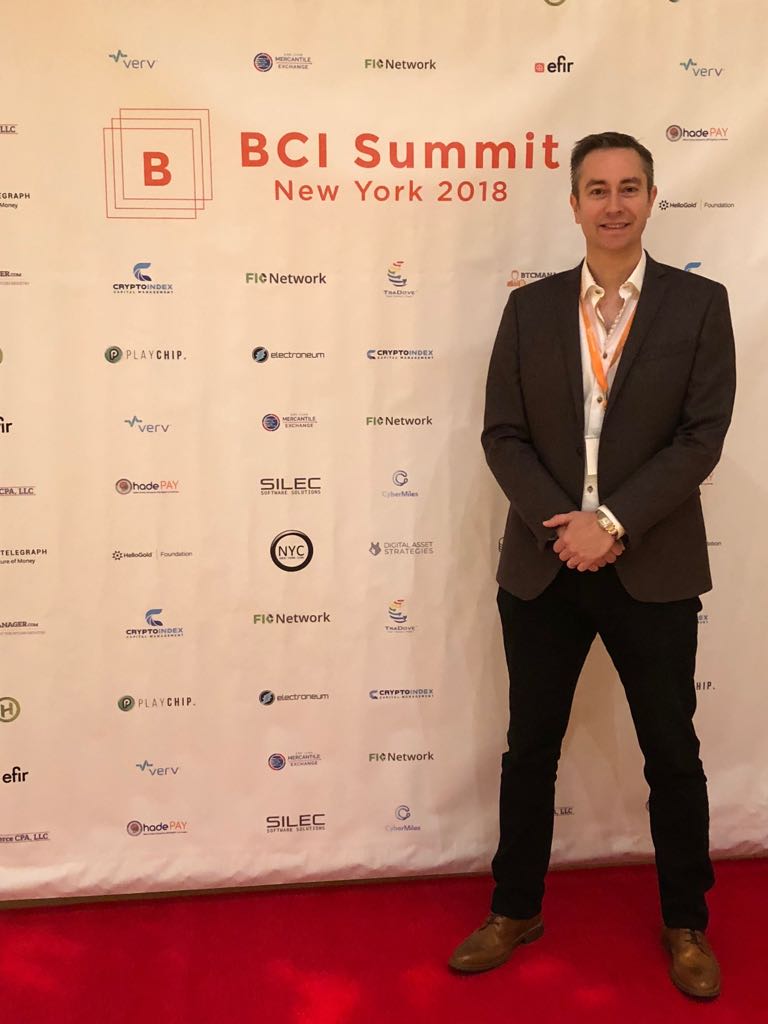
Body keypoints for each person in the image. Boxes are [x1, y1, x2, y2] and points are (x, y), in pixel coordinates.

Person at [449, 132, 736, 999]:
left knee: (672, 753)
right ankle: (515, 908)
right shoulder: (529, 310)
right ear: (573, 204)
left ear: (651, 198)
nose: (614, 203)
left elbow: (701, 438)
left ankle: (686, 921)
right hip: (545, 568)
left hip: (652, 565)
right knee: (529, 748)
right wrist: (562, 529)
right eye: (598, 189)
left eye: (630, 186)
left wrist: (610, 522)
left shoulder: (700, 305)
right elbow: (503, 434)